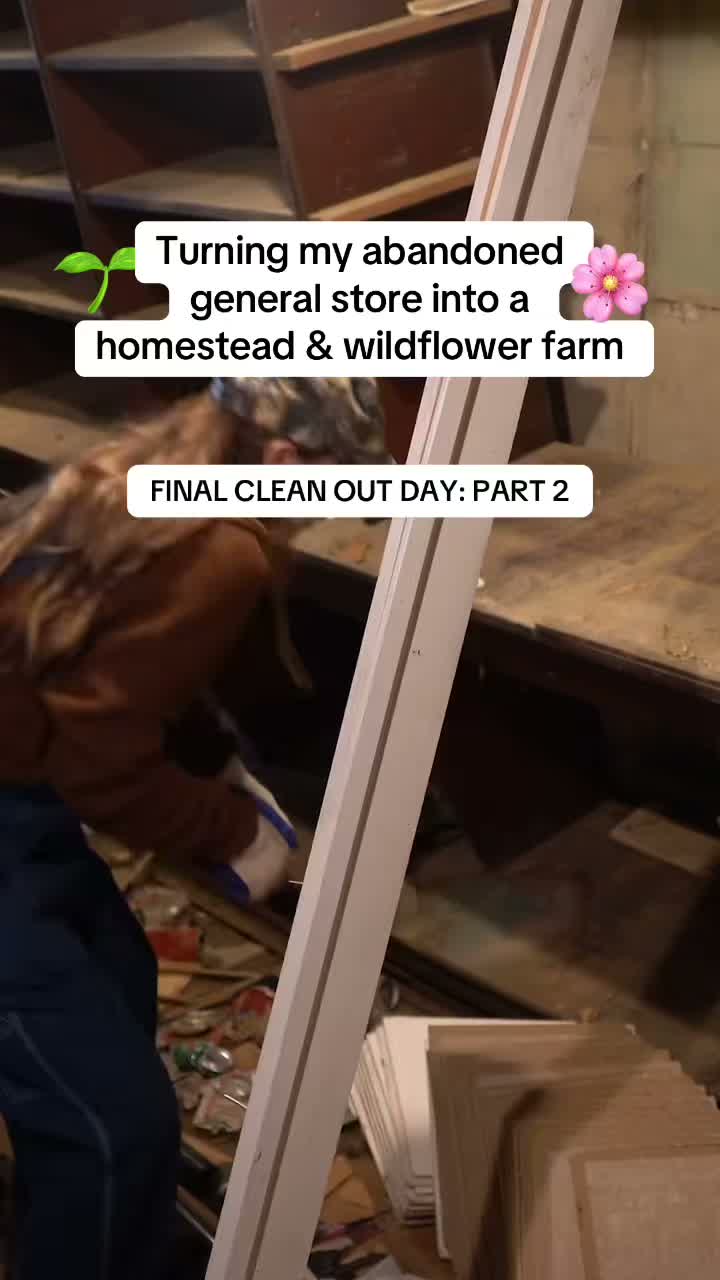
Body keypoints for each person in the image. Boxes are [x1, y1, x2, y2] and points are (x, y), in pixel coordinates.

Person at [0, 376, 387, 1280]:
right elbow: (99, 767)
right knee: (116, 1126)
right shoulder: (222, 552)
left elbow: (108, 666)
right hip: (13, 803)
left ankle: (96, 1222)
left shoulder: (134, 476)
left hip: (19, 788)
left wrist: (216, 766)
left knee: (121, 976)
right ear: (284, 460)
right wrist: (232, 832)